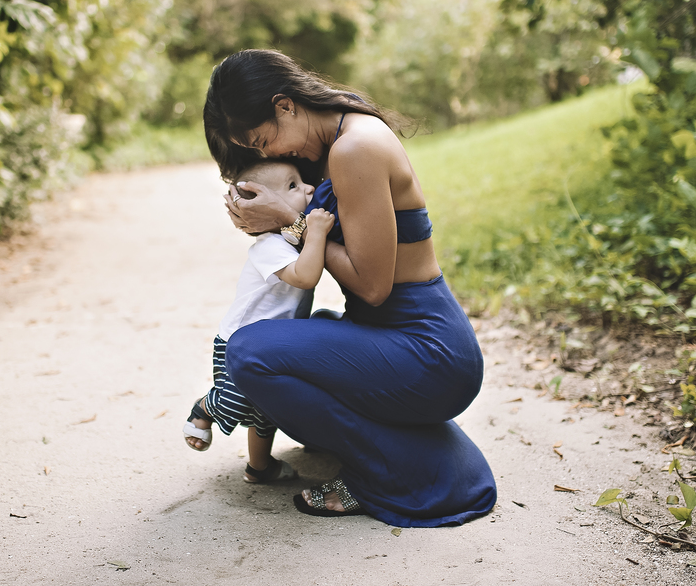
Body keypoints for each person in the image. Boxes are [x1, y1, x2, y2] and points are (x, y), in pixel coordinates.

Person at [202, 48, 497, 527]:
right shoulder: (338, 136)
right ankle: (414, 452)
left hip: (428, 347)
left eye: (264, 140)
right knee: (303, 333)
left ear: (285, 105)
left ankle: (382, 476)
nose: (271, 155)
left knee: (250, 353)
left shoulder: (355, 148)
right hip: (399, 335)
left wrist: (289, 220)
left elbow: (374, 286)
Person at [182, 159, 336, 484]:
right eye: (294, 186)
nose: (308, 188)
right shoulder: (270, 247)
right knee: (237, 400)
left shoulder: (289, 240)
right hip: (238, 344)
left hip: (271, 347)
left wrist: (306, 229)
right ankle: (205, 409)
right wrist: (317, 231)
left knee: (265, 412)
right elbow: (306, 276)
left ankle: (260, 467)